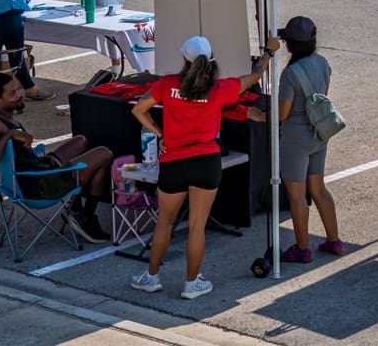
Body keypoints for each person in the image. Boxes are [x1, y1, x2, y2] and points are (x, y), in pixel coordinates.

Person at [128, 35, 274, 299]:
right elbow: (253, 77)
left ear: (184, 59)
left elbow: (139, 110)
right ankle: (192, 283)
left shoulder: (168, 84)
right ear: (211, 60)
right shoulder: (219, 89)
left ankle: (150, 278)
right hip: (206, 161)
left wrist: (159, 133)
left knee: (164, 223)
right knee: (197, 226)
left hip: (173, 160)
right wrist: (268, 54)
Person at [0, 72, 113, 242]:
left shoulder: (9, 120)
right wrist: (8, 136)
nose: (19, 95)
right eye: (12, 93)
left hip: (39, 171)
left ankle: (75, 207)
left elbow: (19, 158)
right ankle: (85, 216)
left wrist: (39, 160)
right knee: (104, 154)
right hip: (37, 187)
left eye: (18, 90)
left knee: (80, 141)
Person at [275, 15, 343, 262]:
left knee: (296, 195)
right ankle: (334, 241)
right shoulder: (323, 63)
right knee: (318, 188)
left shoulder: (290, 74)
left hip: (295, 141)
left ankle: (302, 248)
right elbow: (322, 95)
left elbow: (282, 113)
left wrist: (259, 115)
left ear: (290, 45)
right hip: (319, 134)